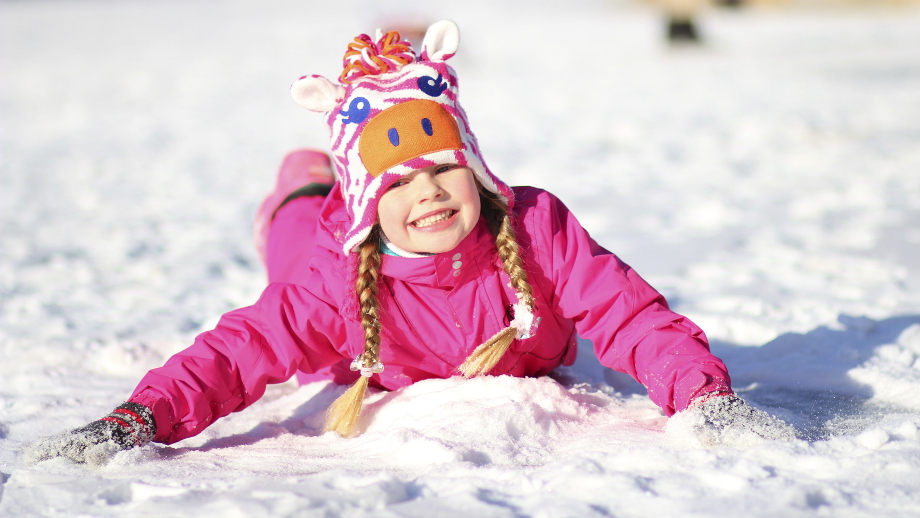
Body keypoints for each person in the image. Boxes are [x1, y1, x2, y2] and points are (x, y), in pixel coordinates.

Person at [25, 20, 792, 465]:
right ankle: (306, 182)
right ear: (369, 201)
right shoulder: (337, 274)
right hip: (326, 254)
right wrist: (143, 416)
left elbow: (630, 317)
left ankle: (322, 183)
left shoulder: (535, 229)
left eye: (441, 171)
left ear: (475, 169)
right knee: (295, 236)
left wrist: (702, 395)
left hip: (372, 240)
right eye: (393, 183)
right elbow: (240, 351)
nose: (424, 193)